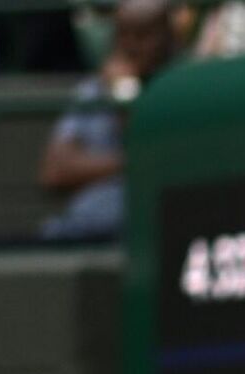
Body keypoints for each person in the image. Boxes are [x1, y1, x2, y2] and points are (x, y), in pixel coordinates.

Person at [37, 0, 177, 245]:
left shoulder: (182, 87)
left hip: (146, 235)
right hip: (76, 234)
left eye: (143, 35)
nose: (131, 46)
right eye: (124, 35)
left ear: (168, 37)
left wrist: (123, 94)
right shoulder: (93, 91)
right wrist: (127, 164)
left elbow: (155, 160)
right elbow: (55, 171)